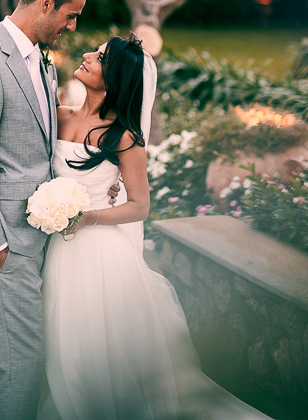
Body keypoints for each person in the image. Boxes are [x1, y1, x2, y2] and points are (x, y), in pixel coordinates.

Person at [37, 34, 270, 420]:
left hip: (99, 254)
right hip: (58, 251)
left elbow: (139, 206)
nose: (86, 56)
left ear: (116, 79)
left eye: (99, 58)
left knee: (95, 347)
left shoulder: (124, 138)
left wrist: (86, 217)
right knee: (62, 342)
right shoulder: (58, 116)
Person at [0, 0, 118, 420]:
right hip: (6, 242)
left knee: (8, 362)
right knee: (21, 363)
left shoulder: (38, 60)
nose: (72, 25)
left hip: (35, 236)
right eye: (71, 14)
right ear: (47, 4)